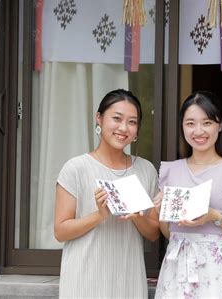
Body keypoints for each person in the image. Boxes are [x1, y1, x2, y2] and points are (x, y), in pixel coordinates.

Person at [154, 91, 222, 298]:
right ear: (182, 127)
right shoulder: (171, 171)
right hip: (175, 268)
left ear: (220, 125)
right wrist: (161, 212)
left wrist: (215, 216)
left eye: (206, 123)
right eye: (190, 123)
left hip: (216, 270)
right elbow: (171, 233)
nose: (198, 131)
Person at [54, 89, 160, 298]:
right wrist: (100, 215)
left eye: (132, 122)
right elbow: (60, 231)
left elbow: (153, 233)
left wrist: (138, 217)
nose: (123, 128)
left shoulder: (146, 170)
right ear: (99, 119)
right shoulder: (76, 168)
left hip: (128, 277)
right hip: (84, 279)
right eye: (117, 119)